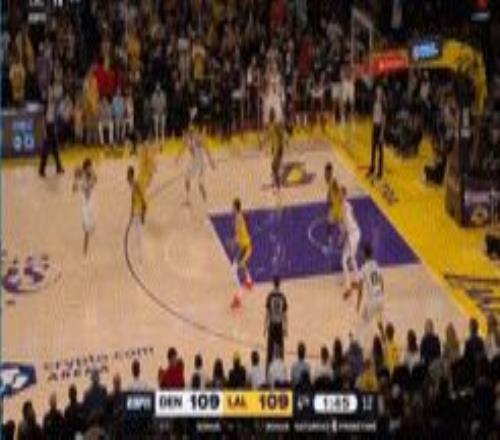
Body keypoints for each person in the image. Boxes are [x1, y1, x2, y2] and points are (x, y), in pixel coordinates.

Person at [346, 243, 384, 345]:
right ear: (372, 253)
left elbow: (360, 288)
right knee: (380, 321)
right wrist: (381, 294)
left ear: (364, 254)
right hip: (380, 298)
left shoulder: (364, 269)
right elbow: (381, 282)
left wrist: (350, 290)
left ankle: (359, 346)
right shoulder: (376, 265)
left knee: (362, 324)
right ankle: (385, 340)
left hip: (372, 301)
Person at [177, 113, 215, 205]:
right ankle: (190, 198)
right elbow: (183, 147)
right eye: (190, 129)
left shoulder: (198, 138)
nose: (190, 131)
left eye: (192, 129)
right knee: (188, 179)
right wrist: (178, 157)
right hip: (196, 162)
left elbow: (206, 148)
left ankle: (200, 198)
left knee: (195, 182)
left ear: (195, 129)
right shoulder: (189, 138)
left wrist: (211, 162)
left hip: (199, 162)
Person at [230, 198, 253, 309]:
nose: (231, 208)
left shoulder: (238, 218)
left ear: (235, 207)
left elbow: (238, 233)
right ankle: (249, 281)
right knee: (239, 266)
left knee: (235, 270)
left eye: (232, 206)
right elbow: (240, 232)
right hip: (244, 246)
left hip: (245, 247)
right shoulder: (239, 216)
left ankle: (238, 298)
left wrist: (233, 242)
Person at [73, 158, 97, 256]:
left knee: (91, 227)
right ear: (86, 167)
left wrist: (90, 173)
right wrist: (75, 179)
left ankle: (86, 250)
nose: (91, 168)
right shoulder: (81, 177)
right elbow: (74, 189)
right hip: (85, 205)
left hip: (92, 203)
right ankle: (85, 252)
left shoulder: (92, 176)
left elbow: (95, 180)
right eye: (90, 167)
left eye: (91, 167)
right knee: (86, 229)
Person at [340, 187, 361, 296]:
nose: (340, 196)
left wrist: (342, 238)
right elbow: (351, 220)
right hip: (353, 234)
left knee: (348, 259)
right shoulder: (347, 205)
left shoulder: (345, 207)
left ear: (345, 195)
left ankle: (350, 285)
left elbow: (346, 225)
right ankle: (356, 281)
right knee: (347, 259)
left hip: (353, 234)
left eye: (341, 194)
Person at [39, 87, 64, 177]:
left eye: (52, 93)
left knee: (55, 148)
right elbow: (43, 119)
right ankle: (41, 170)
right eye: (50, 94)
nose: (52, 95)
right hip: (47, 127)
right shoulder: (45, 105)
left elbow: (55, 117)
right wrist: (44, 131)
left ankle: (58, 167)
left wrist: (55, 127)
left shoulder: (54, 104)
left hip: (52, 126)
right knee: (45, 150)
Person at [265, 276, 288, 368]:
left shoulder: (270, 296)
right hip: (279, 325)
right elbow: (284, 315)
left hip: (272, 324)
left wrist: (265, 326)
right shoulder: (282, 296)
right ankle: (281, 366)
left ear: (273, 283)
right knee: (280, 348)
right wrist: (285, 328)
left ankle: (268, 368)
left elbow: (267, 313)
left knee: (270, 349)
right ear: (279, 284)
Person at [127, 166, 146, 262]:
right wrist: (131, 210)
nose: (127, 176)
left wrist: (143, 213)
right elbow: (133, 198)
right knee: (136, 233)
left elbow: (142, 198)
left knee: (139, 234)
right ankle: (138, 254)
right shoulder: (132, 184)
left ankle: (140, 256)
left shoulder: (135, 184)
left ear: (131, 175)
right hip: (135, 210)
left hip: (138, 210)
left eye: (128, 174)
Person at [368, 86, 386, 179]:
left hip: (379, 127)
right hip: (375, 126)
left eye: (379, 91)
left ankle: (380, 172)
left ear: (382, 93)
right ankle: (372, 168)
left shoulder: (383, 104)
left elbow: (383, 119)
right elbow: (374, 115)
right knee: (373, 149)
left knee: (380, 151)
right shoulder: (374, 102)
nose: (378, 93)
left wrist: (382, 133)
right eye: (377, 91)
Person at [324, 162, 342, 248]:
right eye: (325, 172)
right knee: (329, 224)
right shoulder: (329, 180)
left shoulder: (333, 181)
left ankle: (337, 239)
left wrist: (334, 201)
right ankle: (330, 240)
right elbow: (331, 191)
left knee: (337, 224)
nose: (325, 174)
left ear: (330, 172)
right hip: (334, 206)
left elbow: (338, 192)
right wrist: (328, 196)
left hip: (336, 206)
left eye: (327, 172)